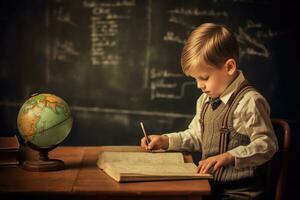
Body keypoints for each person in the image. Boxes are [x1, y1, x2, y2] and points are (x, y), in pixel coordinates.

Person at [140, 23, 278, 200]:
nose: (199, 85)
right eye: (196, 79)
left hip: (241, 193)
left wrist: (229, 156)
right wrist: (166, 141)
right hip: (209, 187)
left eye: (204, 78)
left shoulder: (249, 102)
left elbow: (267, 145)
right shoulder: (205, 100)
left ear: (229, 67)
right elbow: (198, 136)